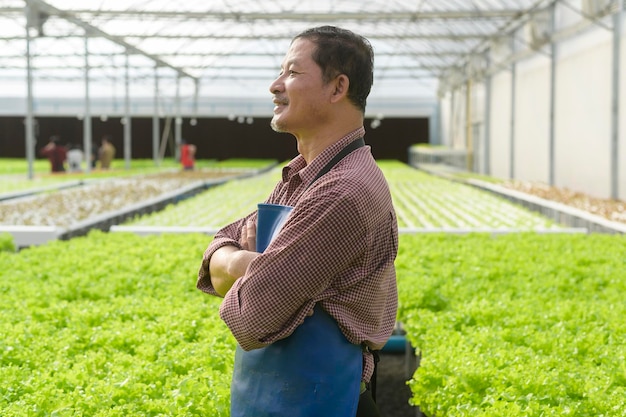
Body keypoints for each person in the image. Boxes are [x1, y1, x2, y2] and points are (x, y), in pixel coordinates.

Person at [196, 26, 398, 417]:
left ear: (337, 88)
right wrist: (246, 263)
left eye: (291, 72)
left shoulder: (343, 192)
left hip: (323, 401)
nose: (275, 86)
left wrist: (245, 265)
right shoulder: (303, 177)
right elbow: (219, 245)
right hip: (287, 396)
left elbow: (254, 313)